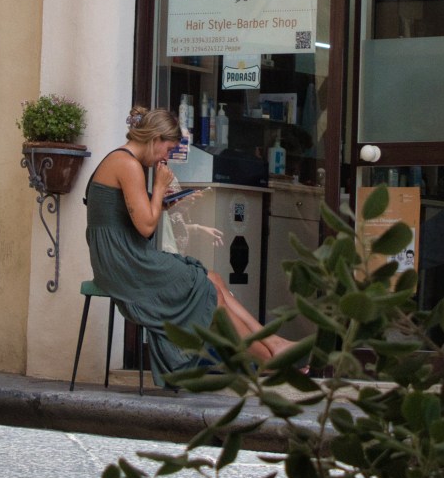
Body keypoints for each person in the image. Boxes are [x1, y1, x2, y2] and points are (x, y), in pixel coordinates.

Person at [85, 105, 297, 386]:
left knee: (214, 278)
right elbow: (146, 226)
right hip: (123, 263)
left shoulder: (125, 162)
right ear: (155, 139)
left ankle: (272, 342)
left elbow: (133, 216)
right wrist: (159, 188)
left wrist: (169, 200)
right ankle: (265, 360)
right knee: (208, 292)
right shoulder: (127, 164)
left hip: (125, 257)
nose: (166, 157)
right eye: (168, 149)